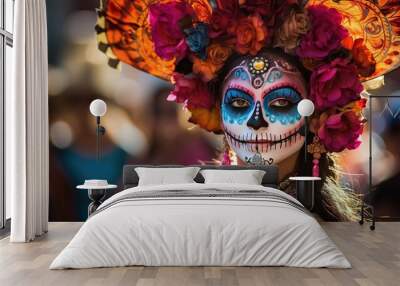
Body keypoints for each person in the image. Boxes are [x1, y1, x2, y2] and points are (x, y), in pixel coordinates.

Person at [95, 0, 400, 220]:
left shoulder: (344, 232)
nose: (256, 121)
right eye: (239, 103)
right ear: (217, 111)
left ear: (317, 111)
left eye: (280, 103)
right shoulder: (190, 216)